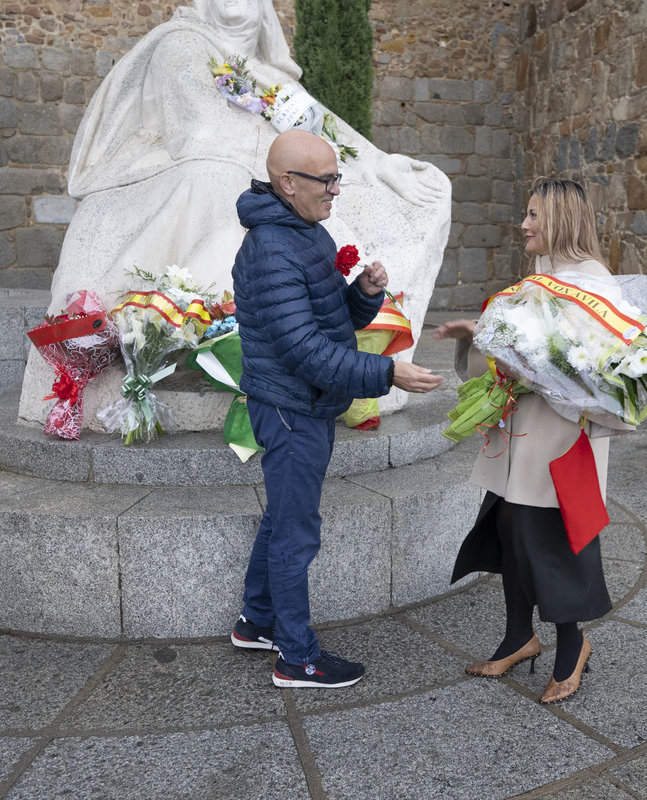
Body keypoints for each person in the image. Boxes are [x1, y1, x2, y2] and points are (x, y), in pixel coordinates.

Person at [18, 0, 450, 430]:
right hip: (206, 172)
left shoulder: (271, 75)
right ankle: (197, 330)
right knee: (214, 177)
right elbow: (198, 131)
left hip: (278, 189)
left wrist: (375, 162)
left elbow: (322, 130)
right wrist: (278, 153)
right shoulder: (181, 45)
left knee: (396, 198)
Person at [230, 129, 444, 689]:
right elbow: (304, 352)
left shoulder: (304, 231)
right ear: (287, 183)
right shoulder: (273, 249)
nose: (336, 190)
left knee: (282, 517)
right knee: (296, 532)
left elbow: (327, 323)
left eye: (336, 177)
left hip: (304, 404)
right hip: (290, 408)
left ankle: (256, 620)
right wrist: (387, 371)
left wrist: (363, 294)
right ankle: (296, 657)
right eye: (326, 179)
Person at [433, 178, 632, 704]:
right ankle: (519, 636)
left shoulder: (596, 287)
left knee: (550, 540)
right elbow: (515, 352)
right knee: (507, 529)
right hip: (520, 431)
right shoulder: (541, 277)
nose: (523, 224)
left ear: (561, 221)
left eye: (533, 216)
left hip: (560, 437)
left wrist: (526, 360)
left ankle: (572, 649)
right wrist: (476, 339)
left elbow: (597, 374)